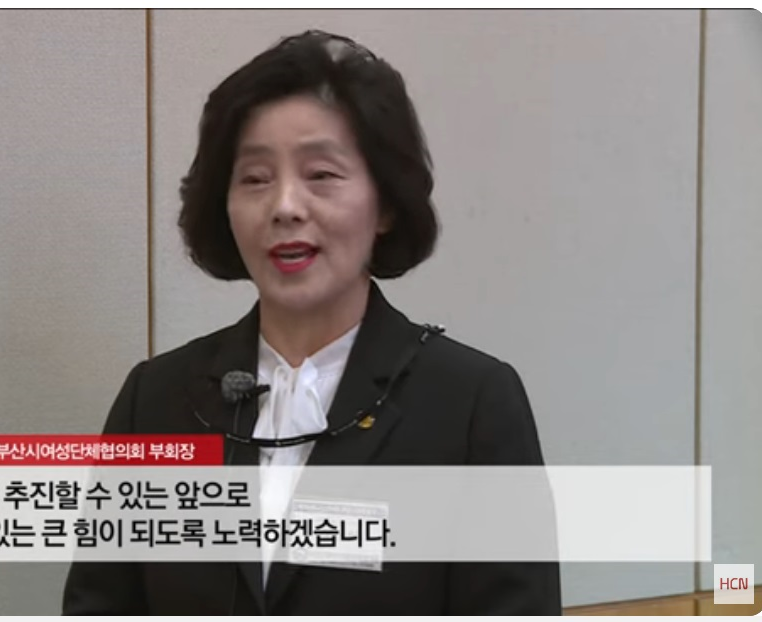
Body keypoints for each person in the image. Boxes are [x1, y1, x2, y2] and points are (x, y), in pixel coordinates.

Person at [63, 30, 561, 615]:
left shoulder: (471, 405)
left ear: (385, 203)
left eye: (321, 174)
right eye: (255, 178)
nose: (285, 206)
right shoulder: (154, 401)